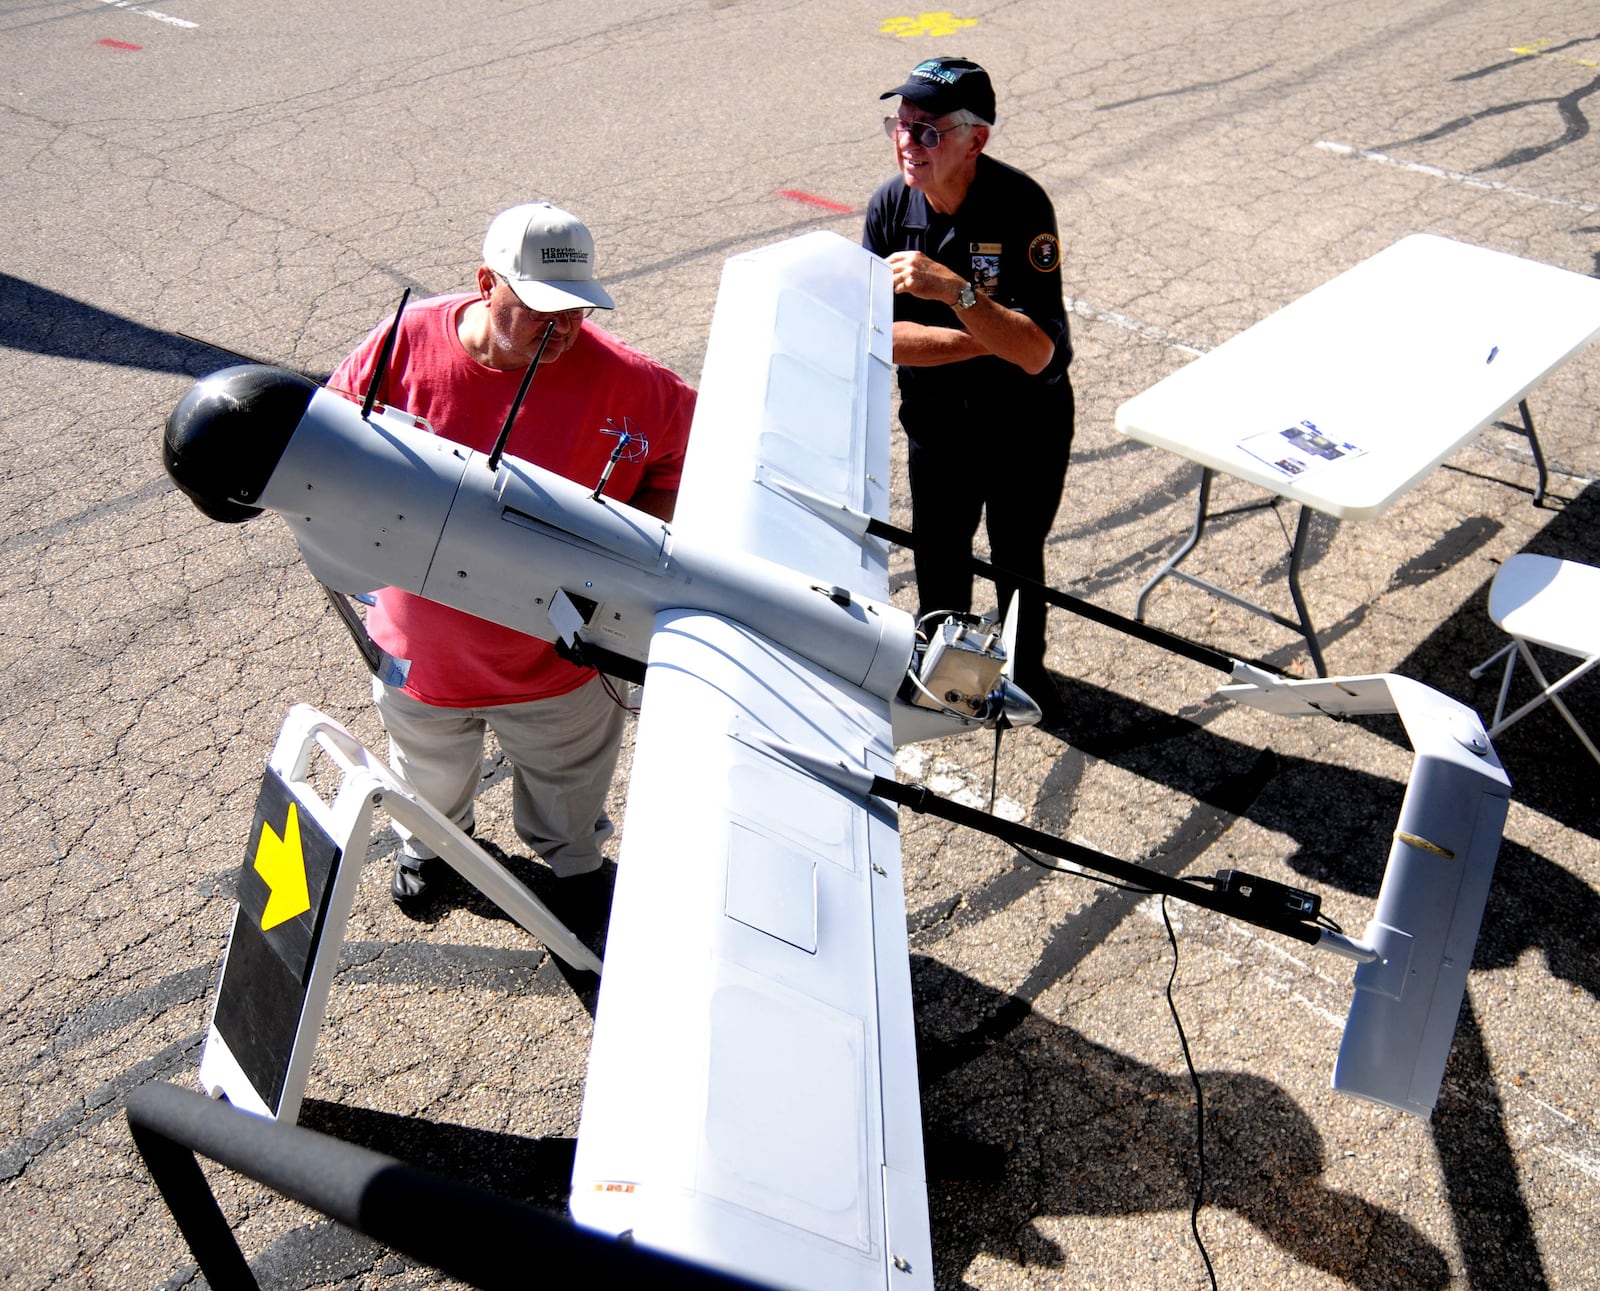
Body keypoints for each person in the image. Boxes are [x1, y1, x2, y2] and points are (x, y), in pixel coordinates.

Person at [328, 203, 697, 908]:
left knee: (569, 784)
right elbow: (331, 443)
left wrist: (630, 550)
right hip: (422, 653)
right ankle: (432, 848)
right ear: (486, 283)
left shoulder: (630, 381)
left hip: (559, 658)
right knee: (427, 773)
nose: (561, 331)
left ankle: (576, 864)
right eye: (539, 309)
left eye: (577, 311)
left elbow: (697, 452)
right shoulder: (401, 347)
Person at [863, 56, 1075, 723]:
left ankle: (1023, 680)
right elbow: (874, 337)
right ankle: (945, 687)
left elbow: (1038, 354)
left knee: (1017, 558)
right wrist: (989, 333)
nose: (907, 141)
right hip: (938, 424)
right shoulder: (889, 208)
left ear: (974, 140)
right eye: (900, 124)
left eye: (927, 131)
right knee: (940, 559)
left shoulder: (1021, 206)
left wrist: (951, 291)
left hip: (1024, 426)